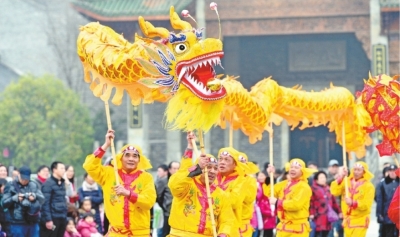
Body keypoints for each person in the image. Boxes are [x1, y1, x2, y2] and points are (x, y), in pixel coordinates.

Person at [83, 129, 156, 237]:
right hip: (116, 233)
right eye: (127, 155)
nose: (131, 159)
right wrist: (106, 145)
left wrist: (129, 194)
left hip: (140, 234)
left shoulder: (146, 177)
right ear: (121, 158)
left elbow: (149, 202)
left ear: (139, 160)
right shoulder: (109, 173)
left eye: (135, 156)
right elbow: (89, 166)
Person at [168, 132, 234, 236]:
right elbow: (175, 184)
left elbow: (227, 220)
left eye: (215, 168)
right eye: (208, 167)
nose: (212, 171)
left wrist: (223, 233)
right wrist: (191, 152)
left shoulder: (221, 195)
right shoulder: (187, 184)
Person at [268, 158, 317, 237]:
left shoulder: (304, 187)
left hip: (297, 228)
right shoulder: (284, 184)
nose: (293, 169)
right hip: (283, 227)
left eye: (296, 168)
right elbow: (270, 193)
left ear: (302, 171)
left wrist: (277, 202)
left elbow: (296, 205)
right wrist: (270, 176)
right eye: (291, 167)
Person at [330, 162, 375, 237]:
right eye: (355, 169)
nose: (356, 172)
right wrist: (341, 177)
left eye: (359, 170)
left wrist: (353, 203)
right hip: (348, 220)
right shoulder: (346, 181)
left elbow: (367, 204)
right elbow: (334, 191)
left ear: (364, 172)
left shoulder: (369, 186)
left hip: (360, 220)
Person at [215, 147, 250, 236]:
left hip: (229, 229)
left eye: (227, 160)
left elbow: (234, 201)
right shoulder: (212, 176)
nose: (222, 162)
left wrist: (215, 191)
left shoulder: (241, 180)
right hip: (209, 225)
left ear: (235, 164)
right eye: (220, 159)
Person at [2, 166, 45, 237]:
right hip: (17, 223)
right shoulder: (10, 185)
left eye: (27, 179)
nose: (25, 181)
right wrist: (15, 198)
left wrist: (34, 196)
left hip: (33, 221)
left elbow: (42, 199)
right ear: (18, 174)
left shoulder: (33, 184)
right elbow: (4, 203)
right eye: (23, 178)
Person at [309, 171, 342, 237]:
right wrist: (311, 213)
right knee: (317, 234)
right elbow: (310, 202)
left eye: (324, 177)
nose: (323, 179)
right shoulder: (313, 189)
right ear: (316, 179)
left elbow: (334, 202)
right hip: (317, 216)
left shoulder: (328, 188)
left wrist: (339, 212)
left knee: (327, 233)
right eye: (321, 177)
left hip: (327, 217)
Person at [40, 161, 68, 237]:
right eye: (61, 168)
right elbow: (45, 203)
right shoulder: (48, 184)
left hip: (62, 217)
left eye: (64, 168)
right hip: (53, 218)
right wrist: (48, 220)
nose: (64, 170)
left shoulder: (62, 183)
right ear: (54, 170)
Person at [237, 152, 258, 237]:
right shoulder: (224, 178)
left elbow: (249, 198)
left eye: (243, 162)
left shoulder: (250, 180)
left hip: (242, 223)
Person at [376, 164, 399, 237]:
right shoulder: (382, 183)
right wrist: (379, 214)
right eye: (390, 171)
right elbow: (379, 200)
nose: (392, 172)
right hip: (387, 215)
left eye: (394, 171)